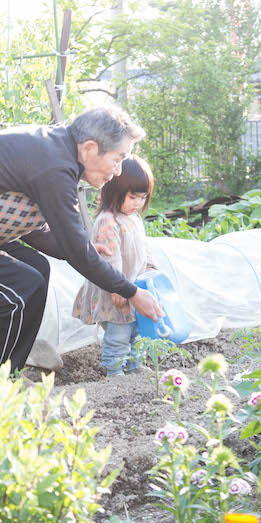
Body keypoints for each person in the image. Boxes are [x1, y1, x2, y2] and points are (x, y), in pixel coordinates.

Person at [0, 105, 164, 377]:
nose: (117, 172)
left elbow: (39, 232)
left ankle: (7, 374)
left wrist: (83, 248)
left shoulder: (56, 152)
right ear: (90, 148)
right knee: (19, 290)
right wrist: (131, 291)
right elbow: (76, 251)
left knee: (36, 270)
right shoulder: (54, 166)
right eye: (118, 159)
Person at [72, 156, 157, 376]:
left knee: (137, 332)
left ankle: (135, 366)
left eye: (142, 197)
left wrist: (150, 266)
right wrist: (116, 287)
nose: (137, 203)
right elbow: (110, 258)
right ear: (114, 191)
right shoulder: (108, 220)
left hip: (134, 288)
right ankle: (115, 372)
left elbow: (143, 246)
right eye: (132, 197)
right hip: (115, 292)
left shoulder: (134, 217)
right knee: (119, 335)